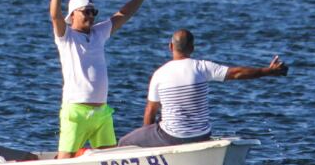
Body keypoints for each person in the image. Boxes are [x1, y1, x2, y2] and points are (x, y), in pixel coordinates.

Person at [117, 30, 288, 149]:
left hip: (171, 137)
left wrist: (147, 140)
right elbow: (237, 73)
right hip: (202, 135)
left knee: (124, 142)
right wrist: (269, 71)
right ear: (192, 48)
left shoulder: (160, 74)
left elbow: (150, 111)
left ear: (171, 47)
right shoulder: (203, 67)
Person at [49, 0, 152, 157]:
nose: (91, 15)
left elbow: (124, 14)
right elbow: (55, 17)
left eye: (93, 11)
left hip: (102, 113)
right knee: (64, 161)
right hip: (76, 112)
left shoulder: (99, 33)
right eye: (85, 12)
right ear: (72, 15)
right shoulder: (66, 37)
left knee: (110, 159)